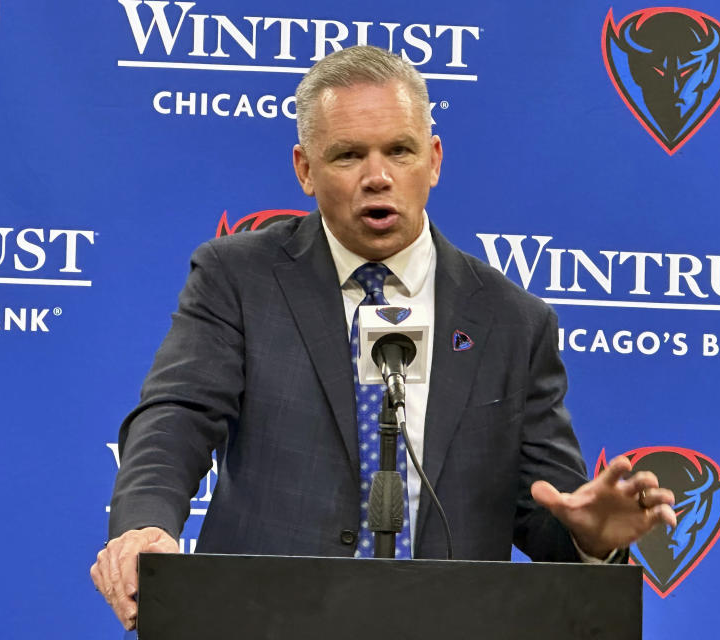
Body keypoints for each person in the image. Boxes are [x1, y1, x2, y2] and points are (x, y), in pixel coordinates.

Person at [90, 45, 676, 631]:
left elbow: (548, 507)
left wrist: (591, 542)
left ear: (435, 159)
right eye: (348, 155)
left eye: (400, 151)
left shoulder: (511, 320)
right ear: (304, 169)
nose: (377, 177)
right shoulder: (240, 278)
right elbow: (176, 414)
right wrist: (145, 522)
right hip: (264, 619)